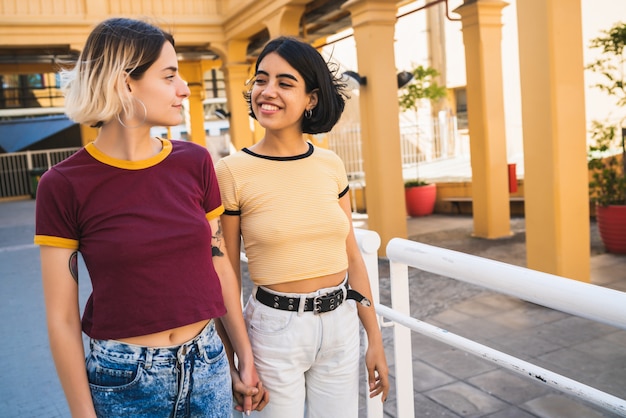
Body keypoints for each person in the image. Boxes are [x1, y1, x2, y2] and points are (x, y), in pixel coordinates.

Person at [34, 17, 267, 417]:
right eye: (169, 76)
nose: (183, 89)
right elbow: (62, 319)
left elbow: (220, 264)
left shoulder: (194, 161)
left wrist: (243, 355)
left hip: (207, 361)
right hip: (123, 381)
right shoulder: (63, 184)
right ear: (126, 83)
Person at [215, 36, 390, 418]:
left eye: (285, 82)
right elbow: (223, 273)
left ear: (311, 98)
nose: (268, 91)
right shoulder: (231, 171)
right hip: (272, 332)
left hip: (340, 325)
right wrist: (233, 360)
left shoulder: (330, 164)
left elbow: (352, 257)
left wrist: (373, 338)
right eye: (261, 80)